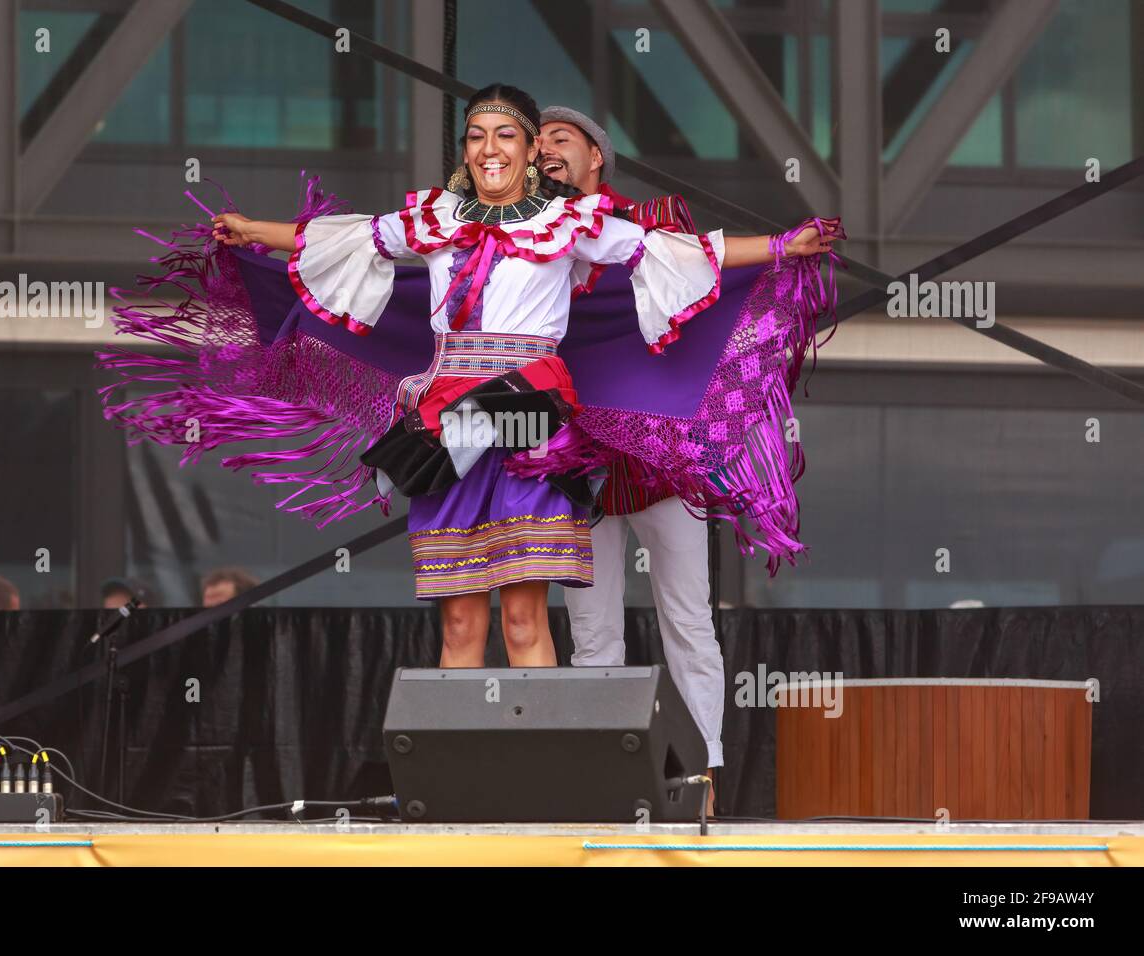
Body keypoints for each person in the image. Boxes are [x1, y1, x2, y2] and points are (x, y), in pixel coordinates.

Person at [205, 83, 834, 672]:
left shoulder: (566, 223)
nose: (489, 148)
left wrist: (782, 248)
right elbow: (346, 240)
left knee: (526, 618)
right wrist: (252, 232)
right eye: (476, 135)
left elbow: (677, 253)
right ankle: (459, 786)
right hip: (447, 414)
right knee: (457, 621)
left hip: (527, 410)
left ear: (532, 149)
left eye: (505, 135)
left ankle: (534, 780)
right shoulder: (435, 218)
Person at [538, 105, 726, 812]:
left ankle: (704, 782)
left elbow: (709, 272)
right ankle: (602, 790)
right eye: (540, 142)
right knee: (592, 638)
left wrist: (778, 254)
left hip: (658, 456)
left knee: (688, 620)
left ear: (597, 160)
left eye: (563, 139)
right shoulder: (520, 239)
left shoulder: (649, 231)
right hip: (569, 457)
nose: (547, 149)